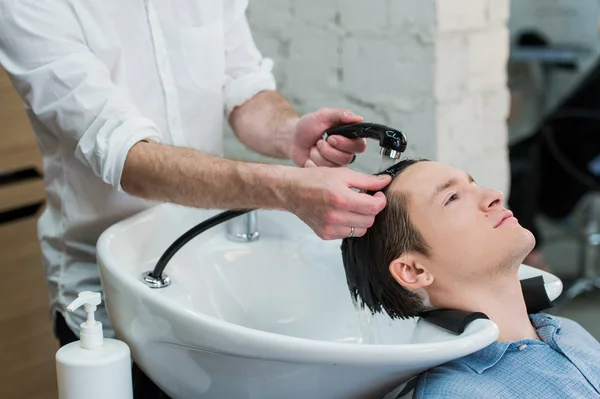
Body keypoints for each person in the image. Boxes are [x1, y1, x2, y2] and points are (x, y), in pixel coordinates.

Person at [0, 1, 391, 397]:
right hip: (103, 293)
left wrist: (287, 132)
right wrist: (286, 191)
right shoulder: (31, 7)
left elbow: (242, 85)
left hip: (203, 262)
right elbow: (130, 158)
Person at [341, 159, 600, 398]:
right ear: (414, 271)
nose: (494, 196)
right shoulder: (457, 393)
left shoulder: (567, 331)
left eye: (474, 184)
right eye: (452, 197)